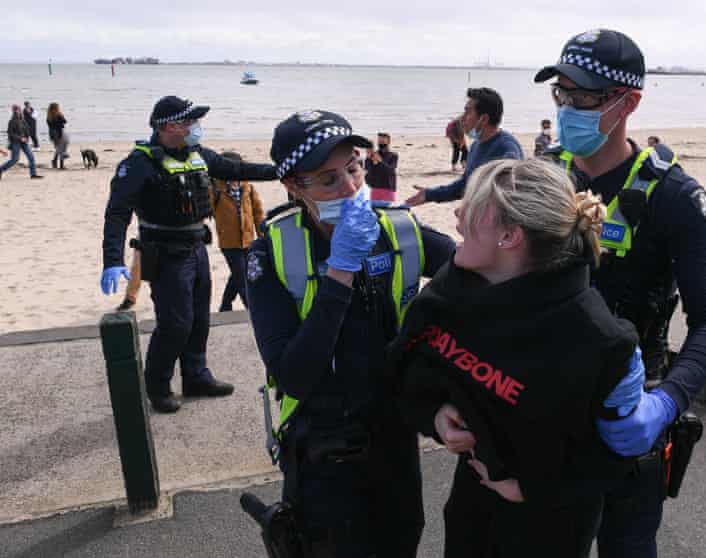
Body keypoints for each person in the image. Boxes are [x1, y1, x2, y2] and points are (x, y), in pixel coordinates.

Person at [535, 29, 706, 556]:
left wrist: (664, 403)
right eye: (561, 93)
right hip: (541, 409)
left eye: (585, 97)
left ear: (630, 102)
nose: (568, 108)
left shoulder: (675, 197)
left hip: (625, 413)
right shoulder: (544, 179)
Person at [392, 157, 645, 558]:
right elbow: (408, 366)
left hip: (547, 529)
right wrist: (436, 416)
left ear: (509, 237)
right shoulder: (454, 288)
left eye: (472, 208)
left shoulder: (598, 340)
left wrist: (530, 487)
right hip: (470, 517)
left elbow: (615, 459)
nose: (457, 214)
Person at [246, 110, 455, 557]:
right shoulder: (271, 254)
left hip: (395, 444)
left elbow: (473, 272)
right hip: (324, 456)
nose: (350, 188)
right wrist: (339, 272)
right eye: (327, 180)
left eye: (354, 168)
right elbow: (295, 375)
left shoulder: (397, 230)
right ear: (293, 187)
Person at [100, 95, 278, 413]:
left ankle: (196, 376)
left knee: (198, 319)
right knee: (175, 323)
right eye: (189, 122)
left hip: (197, 248)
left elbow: (236, 168)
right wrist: (113, 260)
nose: (195, 127)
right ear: (169, 126)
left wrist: (283, 171)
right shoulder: (139, 164)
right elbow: (117, 214)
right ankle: (157, 385)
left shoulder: (197, 155)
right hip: (165, 254)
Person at [406, 87, 523, 206]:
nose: (462, 118)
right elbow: (465, 185)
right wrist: (429, 195)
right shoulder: (476, 145)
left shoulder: (507, 150)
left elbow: (512, 198)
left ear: (484, 119)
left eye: (468, 112)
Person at [209, 151, 265, 312]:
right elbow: (208, 210)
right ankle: (252, 309)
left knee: (238, 274)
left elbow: (257, 211)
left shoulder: (247, 187)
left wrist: (261, 233)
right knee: (243, 279)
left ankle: (225, 305)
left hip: (248, 239)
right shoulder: (215, 188)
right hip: (229, 242)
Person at [0, 105, 42, 180]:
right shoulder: (12, 121)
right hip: (15, 142)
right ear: (13, 111)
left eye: (18, 109)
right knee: (15, 159)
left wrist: (27, 138)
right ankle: (1, 169)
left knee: (31, 157)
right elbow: (10, 133)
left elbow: (27, 130)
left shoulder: (23, 120)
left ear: (20, 110)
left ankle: (33, 174)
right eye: (15, 110)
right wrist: (20, 138)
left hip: (24, 142)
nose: (17, 111)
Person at [365, 132, 399, 202]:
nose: (381, 143)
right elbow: (368, 169)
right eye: (379, 141)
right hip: (374, 188)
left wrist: (380, 161)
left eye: (383, 141)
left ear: (388, 141)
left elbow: (390, 170)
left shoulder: (393, 155)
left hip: (388, 188)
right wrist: (368, 157)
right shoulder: (374, 154)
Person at [46, 103, 69, 169]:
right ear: (56, 108)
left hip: (53, 134)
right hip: (60, 133)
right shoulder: (58, 115)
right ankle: (61, 165)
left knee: (59, 148)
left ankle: (55, 160)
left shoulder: (49, 116)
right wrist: (61, 116)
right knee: (62, 149)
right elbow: (64, 121)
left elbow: (50, 126)